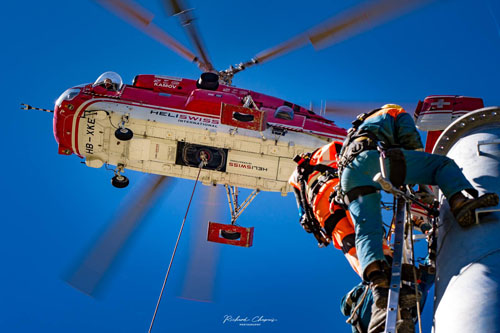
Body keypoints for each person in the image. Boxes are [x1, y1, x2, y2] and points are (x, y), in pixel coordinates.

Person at [337, 104, 499, 331]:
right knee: (440, 165)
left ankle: (378, 286)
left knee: (368, 231)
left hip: (348, 176)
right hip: (371, 160)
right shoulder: (393, 110)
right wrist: (423, 189)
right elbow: (410, 141)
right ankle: (460, 202)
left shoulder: (358, 127)